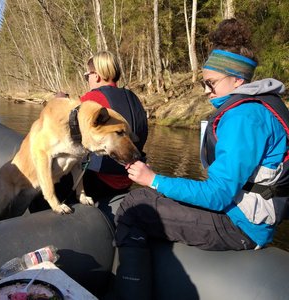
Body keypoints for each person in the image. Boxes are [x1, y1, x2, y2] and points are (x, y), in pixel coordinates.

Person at [113, 18, 289, 299]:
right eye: (204, 82)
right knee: (146, 199)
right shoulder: (259, 108)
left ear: (237, 79)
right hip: (243, 214)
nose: (206, 91)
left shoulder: (244, 117)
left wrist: (152, 179)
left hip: (241, 226)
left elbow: (219, 195)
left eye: (211, 83)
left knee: (135, 206)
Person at [80, 50, 148, 200]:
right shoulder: (133, 98)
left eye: (87, 76)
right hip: (129, 177)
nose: (88, 79)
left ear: (96, 75)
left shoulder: (91, 99)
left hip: (97, 179)